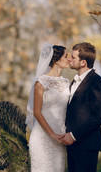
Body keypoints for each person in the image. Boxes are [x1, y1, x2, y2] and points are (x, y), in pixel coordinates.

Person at [60, 42, 101, 172]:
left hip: (86, 146)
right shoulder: (74, 82)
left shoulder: (97, 82)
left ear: (83, 63)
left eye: (73, 57)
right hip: (72, 146)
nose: (69, 59)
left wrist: (74, 135)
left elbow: (99, 116)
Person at [26, 43, 70, 172]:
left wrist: (60, 135)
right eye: (66, 56)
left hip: (61, 137)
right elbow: (36, 112)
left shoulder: (66, 82)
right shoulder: (41, 82)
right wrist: (52, 134)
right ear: (56, 60)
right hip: (42, 137)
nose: (69, 59)